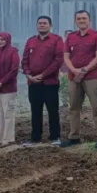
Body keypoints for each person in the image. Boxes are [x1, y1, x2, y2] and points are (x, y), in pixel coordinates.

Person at [63, 10, 97, 148]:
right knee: (73, 108)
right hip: (73, 77)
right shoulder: (70, 37)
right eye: (79, 18)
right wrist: (73, 70)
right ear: (75, 21)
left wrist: (84, 70)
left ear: (89, 20)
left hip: (92, 77)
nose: (81, 20)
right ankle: (74, 137)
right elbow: (66, 57)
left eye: (84, 18)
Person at [21, 16, 65, 146]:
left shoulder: (57, 40)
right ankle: (35, 138)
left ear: (50, 26)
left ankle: (55, 137)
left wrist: (43, 75)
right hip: (33, 82)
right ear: (36, 25)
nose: (42, 25)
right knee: (35, 111)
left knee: (53, 110)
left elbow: (58, 60)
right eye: (39, 23)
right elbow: (24, 60)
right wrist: (28, 74)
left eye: (45, 23)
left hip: (50, 83)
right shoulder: (30, 41)